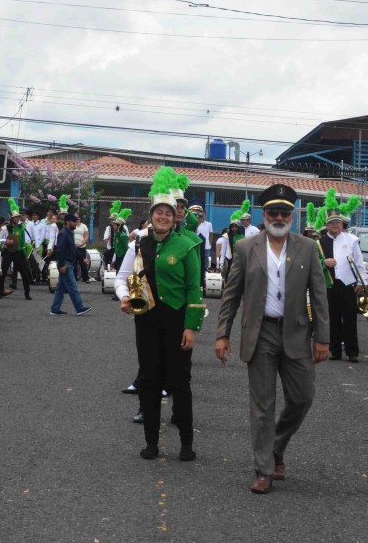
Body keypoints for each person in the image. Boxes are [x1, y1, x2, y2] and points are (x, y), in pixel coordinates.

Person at [215, 183, 330, 494]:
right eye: (272, 212)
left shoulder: (307, 247)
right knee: (262, 404)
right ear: (263, 215)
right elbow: (230, 295)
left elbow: (319, 296)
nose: (279, 217)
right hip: (260, 332)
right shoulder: (244, 247)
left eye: (285, 213)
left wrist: (323, 338)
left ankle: (276, 445)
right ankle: (264, 468)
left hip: (297, 333)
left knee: (303, 397)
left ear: (292, 215)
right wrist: (222, 334)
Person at [117, 167, 205, 461]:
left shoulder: (187, 244)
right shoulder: (140, 244)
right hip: (147, 321)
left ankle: (187, 444)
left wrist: (191, 327)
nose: (164, 216)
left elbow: (195, 289)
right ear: (151, 215)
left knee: (180, 382)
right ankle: (151, 442)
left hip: (177, 320)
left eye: (169, 212)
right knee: (150, 380)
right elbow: (125, 277)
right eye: (159, 212)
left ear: (174, 215)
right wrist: (126, 296)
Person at [317, 191, 365, 362]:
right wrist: (324, 263)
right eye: (331, 223)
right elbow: (313, 264)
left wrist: (361, 281)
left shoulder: (351, 240)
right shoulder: (320, 242)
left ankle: (352, 352)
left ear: (342, 223)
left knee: (350, 319)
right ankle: (335, 351)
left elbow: (359, 262)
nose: (335, 225)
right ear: (326, 225)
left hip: (348, 284)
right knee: (332, 319)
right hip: (329, 285)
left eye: (337, 222)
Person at [50, 213, 93, 316]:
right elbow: (59, 250)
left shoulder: (69, 232)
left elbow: (73, 249)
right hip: (65, 264)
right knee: (73, 286)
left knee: (60, 288)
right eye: (74, 221)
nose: (76, 223)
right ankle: (79, 308)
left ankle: (55, 309)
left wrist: (82, 259)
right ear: (68, 222)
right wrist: (61, 265)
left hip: (67, 263)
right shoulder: (64, 233)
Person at [0, 201, 32, 299]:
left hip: (18, 253)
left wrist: (24, 254)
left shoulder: (21, 228)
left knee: (24, 273)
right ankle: (0, 292)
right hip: (8, 252)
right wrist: (5, 242)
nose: (18, 218)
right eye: (16, 217)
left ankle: (27, 294)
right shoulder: (5, 228)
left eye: (18, 217)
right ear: (11, 218)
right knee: (3, 272)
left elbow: (22, 242)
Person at [191, 202, 213, 286]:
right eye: (194, 214)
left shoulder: (202, 237)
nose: (197, 217)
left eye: (200, 215)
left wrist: (210, 244)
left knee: (203, 264)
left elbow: (211, 234)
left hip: (204, 245)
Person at [73, 214, 91, 283]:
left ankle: (85, 278)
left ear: (80, 218)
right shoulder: (72, 225)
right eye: (75, 218)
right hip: (74, 247)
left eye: (77, 218)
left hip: (82, 247)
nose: (76, 219)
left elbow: (86, 236)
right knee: (74, 263)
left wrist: (82, 244)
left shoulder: (84, 226)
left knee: (83, 262)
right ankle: (74, 278)